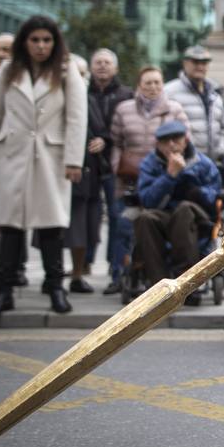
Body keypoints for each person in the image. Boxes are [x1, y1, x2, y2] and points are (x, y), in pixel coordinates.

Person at [0, 16, 87, 319]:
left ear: (55, 43)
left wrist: (74, 160)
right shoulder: (8, 70)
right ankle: (4, 292)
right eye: (35, 40)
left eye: (46, 40)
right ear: (25, 41)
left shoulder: (66, 71)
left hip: (52, 156)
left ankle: (56, 289)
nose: (40, 46)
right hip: (10, 154)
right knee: (8, 227)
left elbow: (77, 118)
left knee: (52, 227)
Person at [109, 67, 189, 287]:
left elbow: (185, 139)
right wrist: (117, 166)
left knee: (154, 225)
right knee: (123, 226)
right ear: (139, 85)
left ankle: (156, 272)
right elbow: (115, 142)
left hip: (162, 175)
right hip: (129, 178)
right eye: (148, 83)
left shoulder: (174, 109)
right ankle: (120, 274)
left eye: (157, 83)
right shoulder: (124, 109)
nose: (153, 87)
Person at [132, 120, 221, 296]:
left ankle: (187, 280)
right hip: (164, 214)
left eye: (176, 140)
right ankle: (159, 285)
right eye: (165, 141)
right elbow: (147, 200)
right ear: (158, 144)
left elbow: (215, 197)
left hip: (197, 217)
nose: (171, 145)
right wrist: (169, 176)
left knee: (184, 209)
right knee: (144, 218)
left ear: (185, 140)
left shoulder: (202, 163)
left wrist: (196, 191)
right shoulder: (150, 164)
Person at [88, 48, 133, 294]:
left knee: (117, 218)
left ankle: (116, 271)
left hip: (116, 167)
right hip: (87, 165)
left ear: (115, 68)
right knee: (87, 218)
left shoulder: (127, 95)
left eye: (107, 62)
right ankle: (83, 267)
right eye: (98, 62)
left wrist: (105, 140)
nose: (102, 66)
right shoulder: (81, 93)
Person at [65, 55, 108, 294]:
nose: (78, 79)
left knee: (82, 226)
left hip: (86, 174)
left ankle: (77, 272)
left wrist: (102, 141)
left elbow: (102, 132)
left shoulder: (88, 101)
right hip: (57, 173)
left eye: (82, 75)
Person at [163, 45, 224, 167]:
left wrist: (221, 150)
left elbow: (223, 128)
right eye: (195, 62)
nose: (200, 66)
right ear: (185, 63)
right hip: (183, 164)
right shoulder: (169, 92)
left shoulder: (215, 95)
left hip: (212, 165)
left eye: (204, 63)